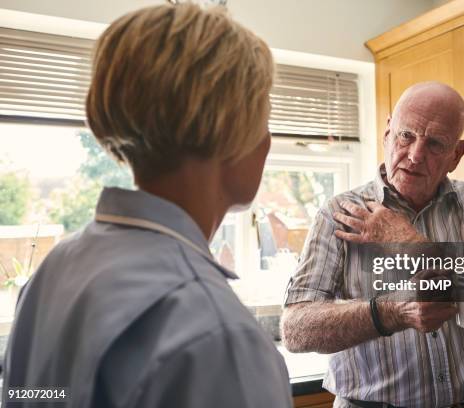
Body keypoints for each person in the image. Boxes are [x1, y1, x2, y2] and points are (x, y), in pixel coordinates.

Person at [3, 4, 292, 408]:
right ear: (230, 132)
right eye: (265, 117)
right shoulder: (217, 335)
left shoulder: (57, 268)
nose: (268, 141)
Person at [281, 82, 464, 408]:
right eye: (405, 135)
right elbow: (296, 331)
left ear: (457, 154)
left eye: (435, 143)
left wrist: (414, 246)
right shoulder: (339, 214)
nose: (415, 155)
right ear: (387, 134)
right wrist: (390, 313)